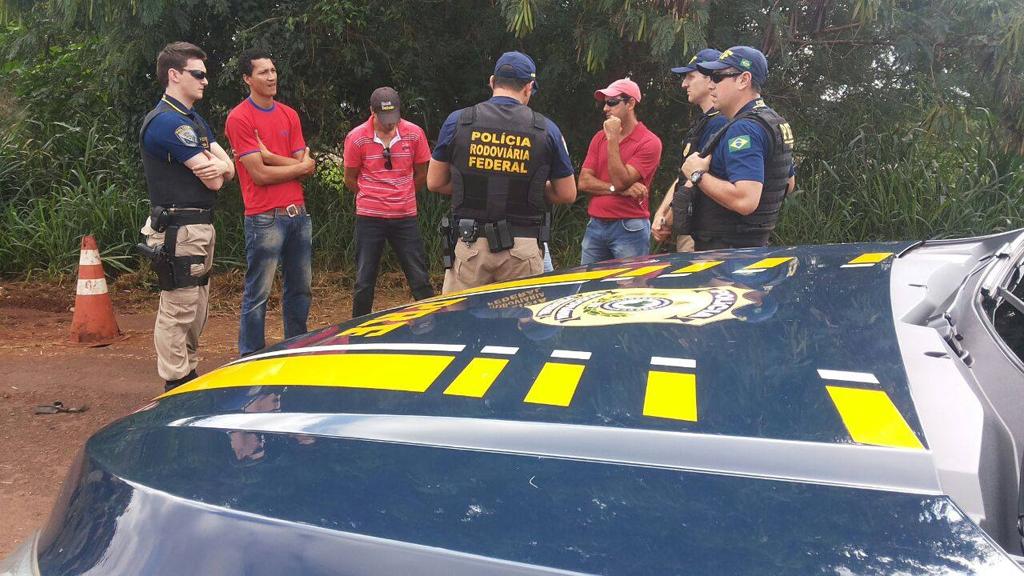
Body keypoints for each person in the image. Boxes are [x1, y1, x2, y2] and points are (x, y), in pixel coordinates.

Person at [427, 51, 576, 293]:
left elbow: (435, 182)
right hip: (522, 249)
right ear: (528, 87)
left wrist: (476, 185)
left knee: (461, 316)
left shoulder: (459, 121)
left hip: (471, 245)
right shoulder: (546, 129)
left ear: (492, 81)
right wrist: (530, 188)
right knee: (522, 317)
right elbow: (567, 193)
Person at [138, 41, 234, 391]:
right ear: (174, 75)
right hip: (179, 227)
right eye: (198, 74)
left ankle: (187, 373)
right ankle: (176, 381)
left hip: (198, 225)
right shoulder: (167, 122)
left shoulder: (192, 119)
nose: (205, 81)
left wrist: (220, 168)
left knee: (197, 307)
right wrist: (220, 169)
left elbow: (229, 168)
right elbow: (216, 178)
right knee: (179, 306)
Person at [224, 49, 316, 357]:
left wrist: (270, 156)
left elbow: (304, 167)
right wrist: (298, 166)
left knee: (300, 289)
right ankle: (250, 356)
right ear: (247, 79)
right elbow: (260, 175)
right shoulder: (239, 118)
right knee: (258, 292)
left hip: (298, 213)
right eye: (263, 72)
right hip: (264, 217)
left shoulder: (289, 114)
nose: (271, 76)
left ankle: (297, 349)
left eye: (273, 70)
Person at [680, 46, 796, 250]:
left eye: (717, 78)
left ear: (743, 80)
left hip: (727, 253)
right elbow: (789, 183)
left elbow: (745, 200)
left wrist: (697, 175)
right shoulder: (773, 120)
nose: (711, 85)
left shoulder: (744, 129)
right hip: (753, 246)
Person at [343, 87, 435, 317]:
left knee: (419, 276)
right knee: (364, 279)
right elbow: (350, 178)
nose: (389, 123)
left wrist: (403, 194)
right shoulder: (356, 137)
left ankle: (433, 324)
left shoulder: (414, 134)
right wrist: (372, 196)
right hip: (370, 216)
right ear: (372, 112)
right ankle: (359, 329)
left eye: (393, 116)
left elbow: (422, 174)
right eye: (384, 117)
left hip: (405, 215)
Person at [578, 78, 663, 265]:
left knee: (629, 282)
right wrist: (617, 190)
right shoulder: (599, 137)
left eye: (612, 102)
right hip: (596, 223)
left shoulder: (649, 142)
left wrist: (612, 139)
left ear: (630, 104)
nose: (605, 108)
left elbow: (621, 181)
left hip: (629, 226)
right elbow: (583, 182)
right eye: (604, 103)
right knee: (588, 282)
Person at [652, 48, 729, 252]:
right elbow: (685, 174)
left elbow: (695, 179)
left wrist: (668, 219)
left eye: (690, 77)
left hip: (703, 232)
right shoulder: (703, 122)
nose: (684, 84)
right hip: (691, 226)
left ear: (710, 78)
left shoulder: (720, 122)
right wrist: (662, 213)